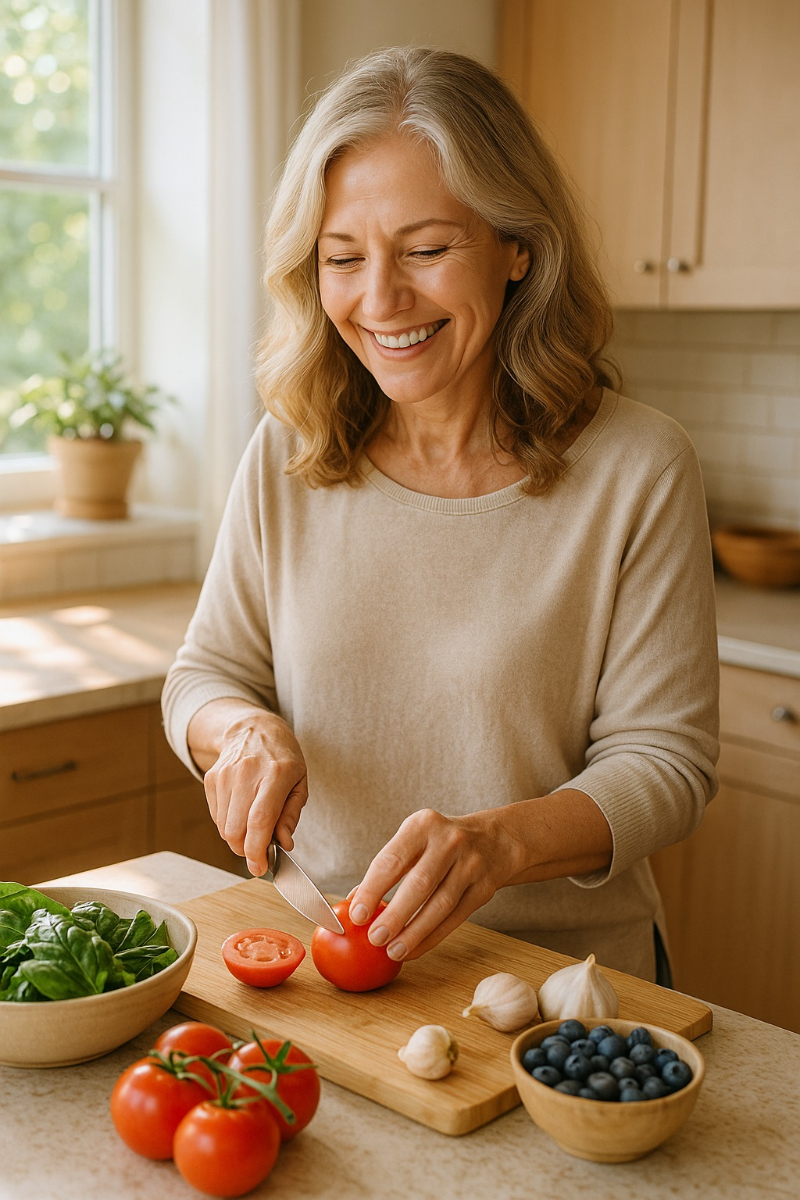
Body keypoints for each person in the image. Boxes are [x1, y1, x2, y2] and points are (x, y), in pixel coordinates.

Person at [162, 46, 719, 984]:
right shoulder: (291, 449)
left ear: (518, 246)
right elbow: (204, 676)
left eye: (426, 250)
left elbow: (667, 762)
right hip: (333, 970)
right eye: (343, 258)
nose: (381, 300)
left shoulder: (639, 467)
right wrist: (241, 731)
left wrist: (500, 844)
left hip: (561, 993)